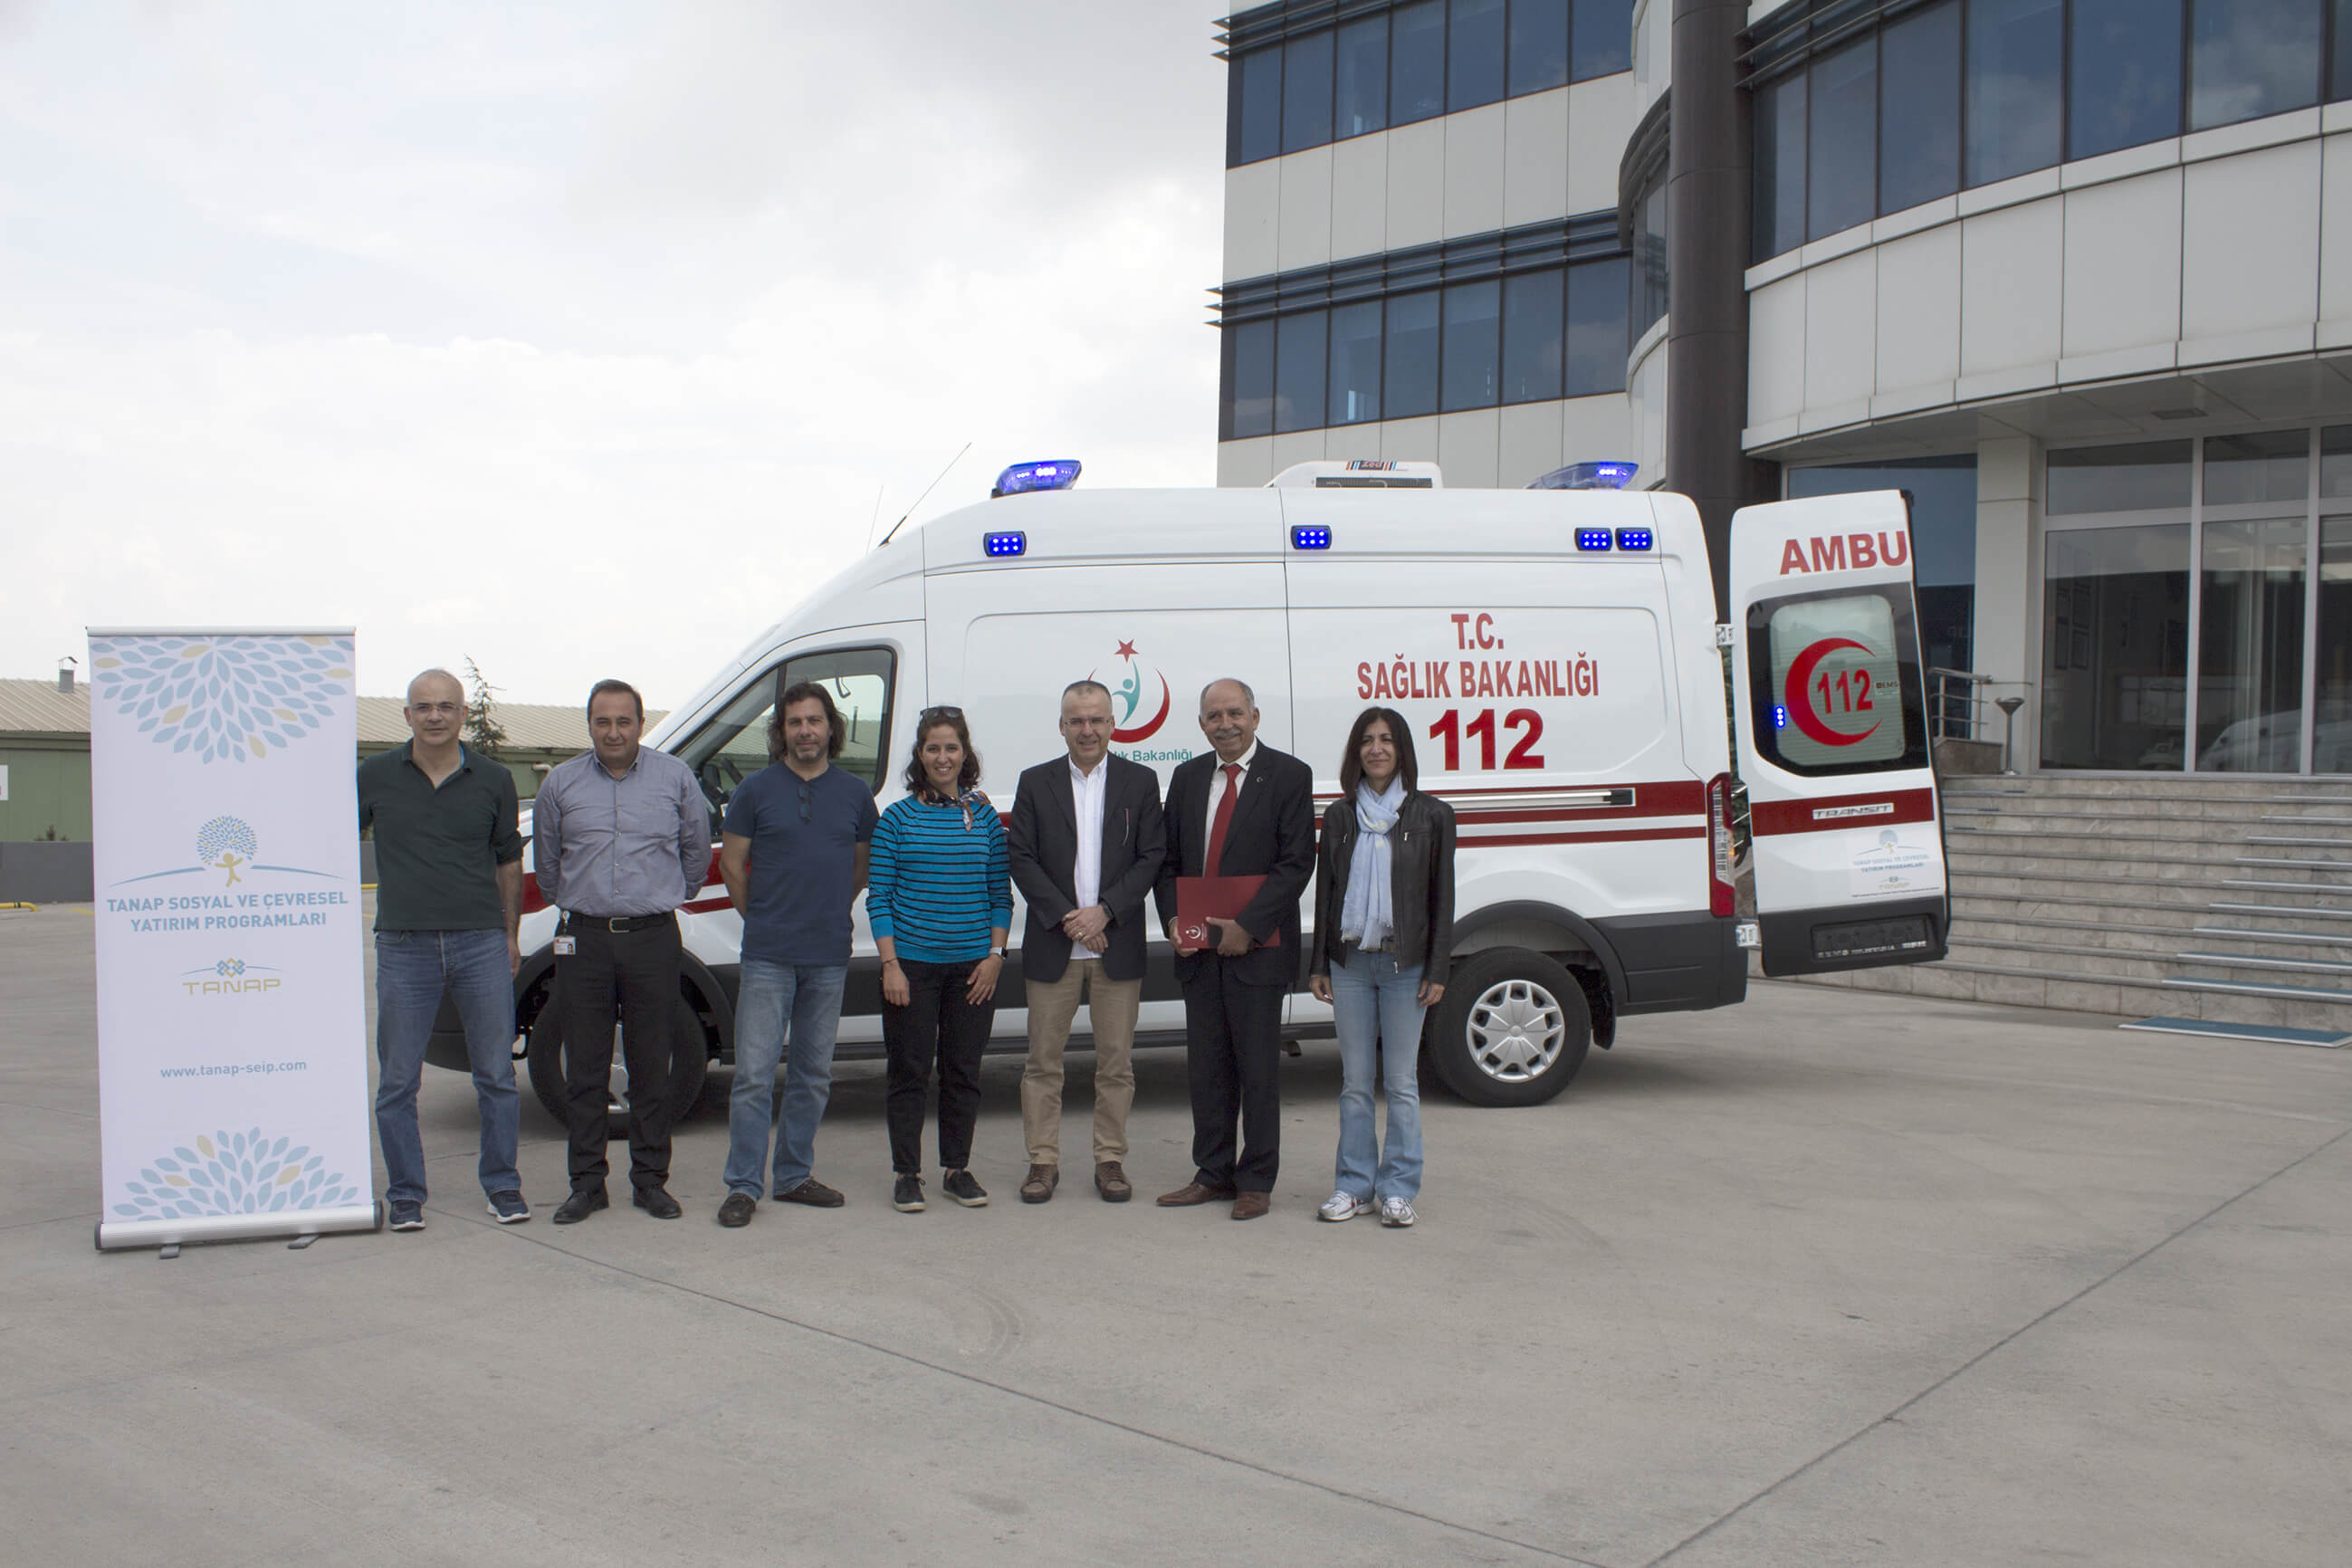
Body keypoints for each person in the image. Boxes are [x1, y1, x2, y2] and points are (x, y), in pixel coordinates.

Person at [533, 678, 711, 1224]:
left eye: (624, 721)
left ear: (639, 723)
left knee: (651, 1063)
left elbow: (696, 854)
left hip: (652, 938)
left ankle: (650, 1180)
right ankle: (587, 1184)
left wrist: (661, 897)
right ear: (589, 725)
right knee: (584, 1068)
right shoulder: (560, 784)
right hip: (582, 939)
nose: (613, 732)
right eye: (602, 721)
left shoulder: (675, 778)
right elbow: (547, 863)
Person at [357, 669, 529, 1232]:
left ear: (462, 715)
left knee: (496, 1077)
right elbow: (328, 842)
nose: (434, 716)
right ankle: (406, 1193)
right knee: (398, 1081)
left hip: (480, 943)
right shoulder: (374, 776)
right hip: (404, 945)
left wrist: (510, 935)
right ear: (406, 715)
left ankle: (503, 1185)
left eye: (446, 706)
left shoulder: (493, 779)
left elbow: (508, 862)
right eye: (423, 706)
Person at [713, 682, 878, 1229]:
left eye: (814, 720)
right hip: (767, 955)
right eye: (794, 722)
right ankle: (742, 1185)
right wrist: (760, 918)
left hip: (828, 955)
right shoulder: (755, 791)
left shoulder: (855, 795)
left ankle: (793, 1176)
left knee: (812, 1074)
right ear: (780, 731)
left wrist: (825, 912)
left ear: (832, 728)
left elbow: (860, 870)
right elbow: (734, 866)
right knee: (755, 1076)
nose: (805, 730)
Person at [1152, 679, 1314, 1220]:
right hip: (1198, 952)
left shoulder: (1289, 775)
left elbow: (1296, 863)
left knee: (1258, 1071)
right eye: (1214, 715)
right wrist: (1173, 918)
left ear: (1256, 716)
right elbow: (1168, 862)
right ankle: (1213, 1173)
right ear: (1201, 724)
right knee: (1207, 1068)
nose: (1225, 723)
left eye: (1235, 713)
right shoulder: (1187, 776)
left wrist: (1247, 925)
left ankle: (1256, 1179)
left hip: (1259, 951)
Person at [1006, 680, 1167, 1203]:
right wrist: (1070, 920)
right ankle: (1042, 1162)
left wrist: (1105, 913)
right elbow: (1021, 858)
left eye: (1096, 719)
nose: (1087, 729)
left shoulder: (1140, 782)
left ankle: (1110, 1160)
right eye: (1076, 720)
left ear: (1112, 724)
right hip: (1055, 946)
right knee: (1042, 1064)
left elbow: (1151, 856)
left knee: (1115, 1064)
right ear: (1061, 726)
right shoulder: (1035, 782)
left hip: (1115, 947)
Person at [1308, 706, 1456, 1229]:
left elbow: (1442, 898)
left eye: (1387, 740)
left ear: (1402, 750)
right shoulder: (1341, 816)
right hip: (1349, 962)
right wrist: (1319, 963)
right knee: (1354, 1082)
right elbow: (1328, 893)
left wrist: (1438, 969)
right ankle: (1353, 1186)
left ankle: (1397, 1189)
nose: (1376, 748)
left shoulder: (1432, 815)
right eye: (1367, 740)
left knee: (1401, 1083)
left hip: (1404, 965)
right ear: (1356, 751)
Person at [868, 706, 1011, 1214]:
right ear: (920, 755)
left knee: (963, 1071)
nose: (943, 757)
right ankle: (907, 1174)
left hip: (974, 970)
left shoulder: (985, 816)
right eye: (933, 748)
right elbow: (878, 897)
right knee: (908, 1071)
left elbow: (1000, 895)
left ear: (964, 753)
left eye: (952, 748)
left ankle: (957, 1169)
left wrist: (995, 956)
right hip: (912, 969)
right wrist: (891, 965)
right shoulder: (897, 819)